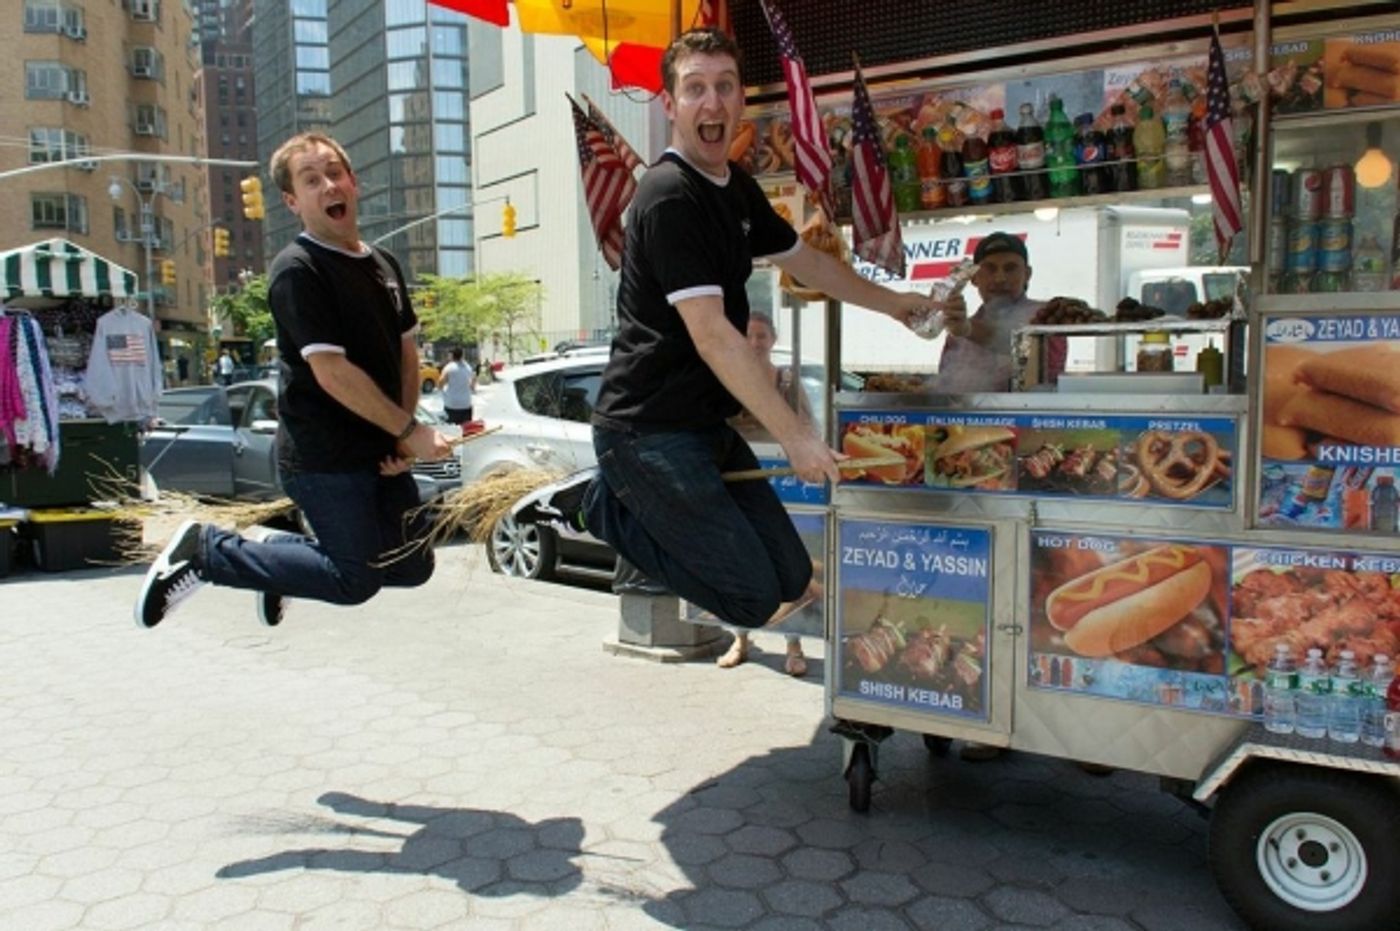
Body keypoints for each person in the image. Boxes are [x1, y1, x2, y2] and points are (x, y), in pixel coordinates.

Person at [513, 28, 940, 635]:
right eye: (694, 89)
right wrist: (794, 435)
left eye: (724, 87)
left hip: (701, 424)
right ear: (671, 104)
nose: (711, 103)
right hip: (647, 430)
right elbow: (712, 335)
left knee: (793, 578)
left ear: (741, 98)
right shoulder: (667, 197)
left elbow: (810, 263)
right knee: (752, 599)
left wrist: (895, 302)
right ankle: (604, 508)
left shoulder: (735, 184)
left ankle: (621, 502)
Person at [134, 132, 452, 630]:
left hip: (382, 451)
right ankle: (208, 552)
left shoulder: (384, 265)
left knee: (412, 564)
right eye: (311, 180)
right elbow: (333, 373)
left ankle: (276, 555)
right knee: (354, 579)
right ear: (292, 201)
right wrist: (410, 431)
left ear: (353, 182)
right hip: (323, 456)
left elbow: (407, 354)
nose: (328, 185)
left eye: (334, 172)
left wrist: (401, 434)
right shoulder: (298, 270)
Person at [720, 312, 809, 676]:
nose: (755, 343)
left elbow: (806, 423)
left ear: (773, 340)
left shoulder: (787, 379)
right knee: (738, 555)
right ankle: (740, 639)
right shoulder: (727, 376)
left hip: (783, 478)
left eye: (762, 336)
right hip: (739, 476)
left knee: (787, 556)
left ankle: (795, 644)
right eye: (749, 336)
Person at [937, 231, 1066, 392]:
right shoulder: (957, 334)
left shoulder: (1047, 317)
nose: (1000, 278)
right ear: (974, 278)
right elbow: (944, 386)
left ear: (1027, 274)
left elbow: (1040, 362)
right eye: (990, 269)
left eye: (1010, 268)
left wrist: (968, 329)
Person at [437, 347, 477, 425]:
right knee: (466, 430)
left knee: (451, 431)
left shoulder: (449, 368)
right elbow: (473, 383)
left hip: (452, 404)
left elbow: (440, 383)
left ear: (452, 356)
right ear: (462, 355)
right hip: (466, 404)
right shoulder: (468, 367)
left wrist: (443, 390)